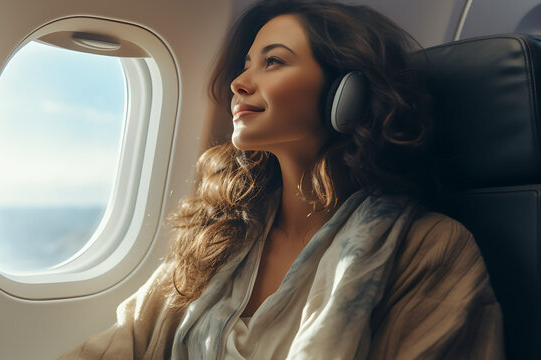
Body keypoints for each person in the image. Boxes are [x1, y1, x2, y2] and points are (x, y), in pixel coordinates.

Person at [59, 0, 504, 359]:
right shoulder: (219, 237)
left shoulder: (430, 249)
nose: (238, 82)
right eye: (246, 63)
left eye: (273, 62)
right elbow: (123, 344)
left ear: (348, 91)